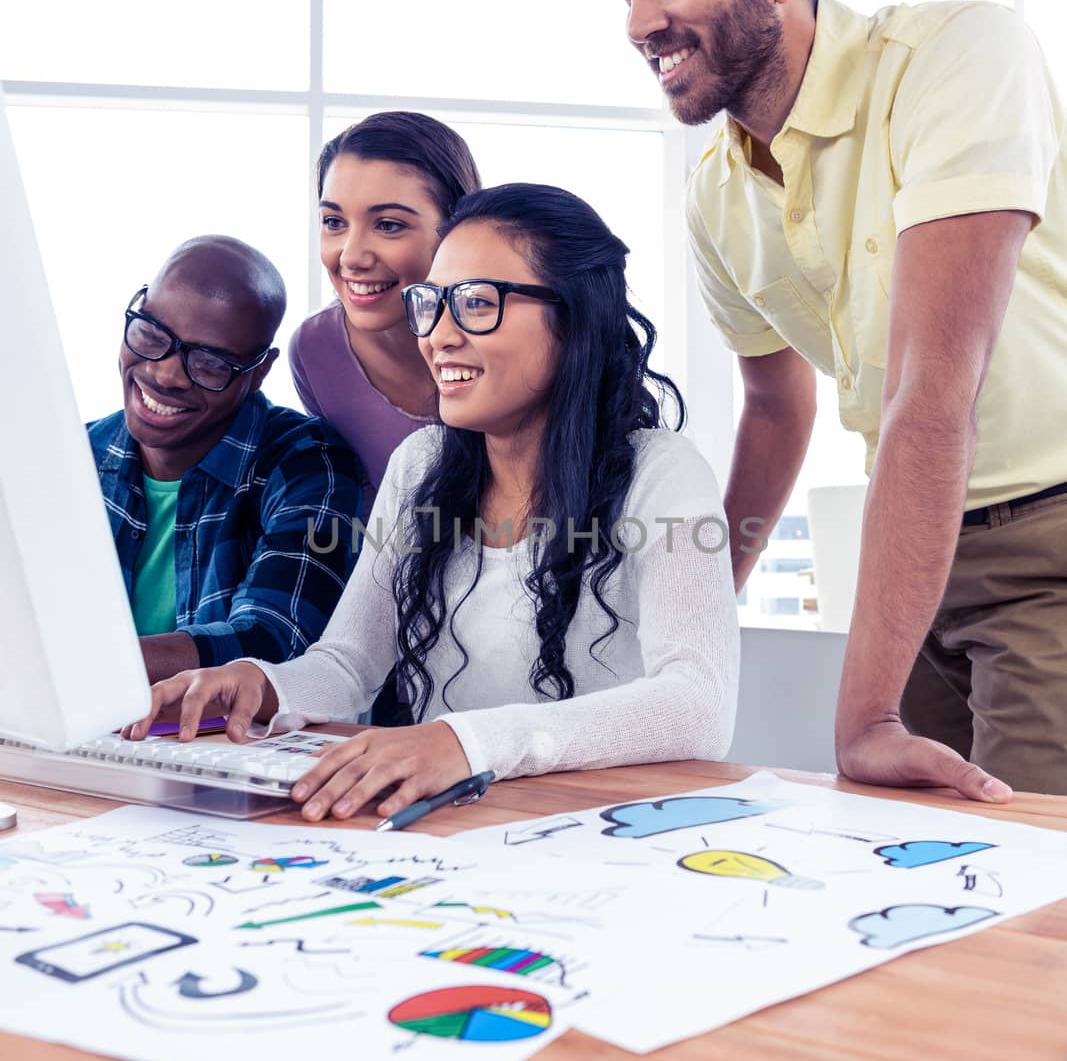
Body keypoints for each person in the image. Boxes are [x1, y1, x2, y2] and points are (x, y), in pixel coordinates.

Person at [583, 0, 1067, 1061]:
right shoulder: (719, 190)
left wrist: (856, 714)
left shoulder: (953, 54)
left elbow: (933, 395)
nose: (638, 15)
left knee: (1029, 948)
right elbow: (774, 408)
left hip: (1052, 529)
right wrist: (693, 629)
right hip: (921, 553)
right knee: (906, 922)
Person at [123, 184, 740, 824]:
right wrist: (263, 682)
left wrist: (465, 742)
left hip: (595, 832)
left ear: (575, 317)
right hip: (450, 826)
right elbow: (349, 664)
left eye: (475, 303)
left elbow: (699, 704)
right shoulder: (420, 466)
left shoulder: (661, 473)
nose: (438, 336)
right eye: (432, 303)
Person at [90, 235, 363, 684]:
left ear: (258, 372)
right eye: (150, 334)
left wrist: (72, 665)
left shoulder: (308, 463)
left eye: (211, 363)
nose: (164, 374)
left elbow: (275, 642)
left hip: (223, 748)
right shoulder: (75, 459)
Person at [289, 112, 482, 500]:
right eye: (333, 222)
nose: (352, 257)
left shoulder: (510, 338)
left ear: (457, 226)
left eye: (388, 225)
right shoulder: (315, 350)